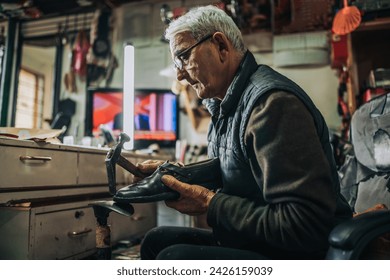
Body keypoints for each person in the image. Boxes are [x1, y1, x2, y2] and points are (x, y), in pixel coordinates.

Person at [135, 5, 352, 260]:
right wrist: (176, 175)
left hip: (297, 253)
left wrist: (209, 203)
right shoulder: (225, 106)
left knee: (173, 257)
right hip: (258, 240)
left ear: (220, 46)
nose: (180, 75)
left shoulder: (272, 106)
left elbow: (304, 225)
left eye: (183, 57)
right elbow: (235, 170)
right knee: (156, 240)